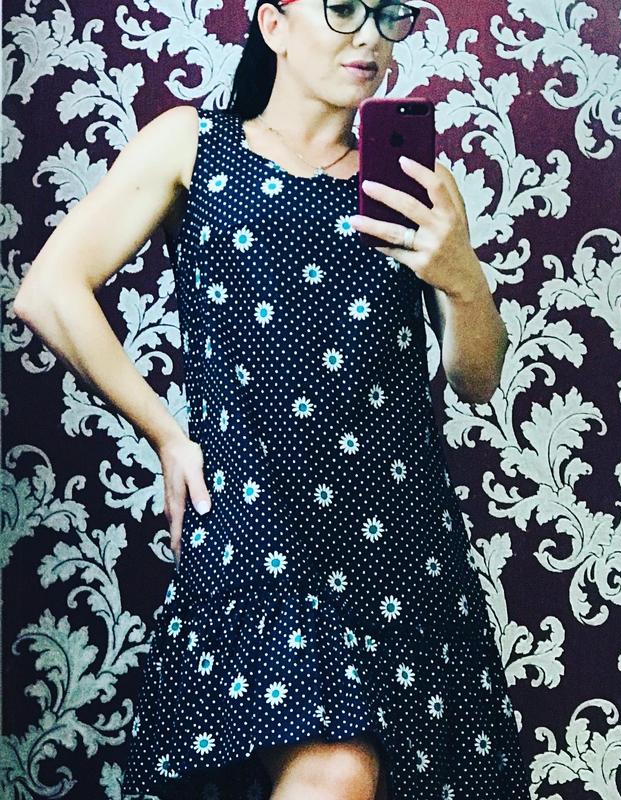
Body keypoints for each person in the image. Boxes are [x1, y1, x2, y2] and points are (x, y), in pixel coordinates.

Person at [14, 1, 531, 799]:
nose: (369, 35)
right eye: (344, 9)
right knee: (337, 772)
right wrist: (167, 435)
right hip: (257, 526)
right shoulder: (193, 143)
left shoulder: (415, 183)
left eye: (389, 16)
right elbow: (49, 292)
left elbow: (476, 378)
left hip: (397, 541)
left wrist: (460, 275)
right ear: (274, 25)